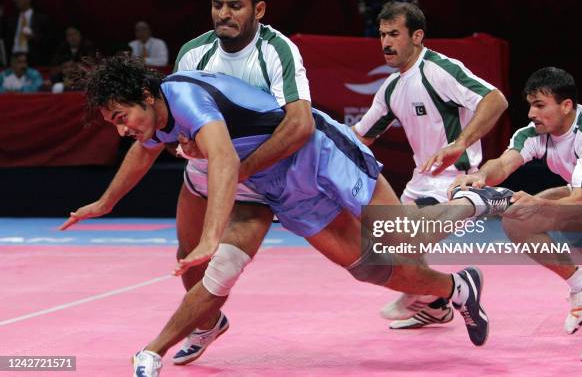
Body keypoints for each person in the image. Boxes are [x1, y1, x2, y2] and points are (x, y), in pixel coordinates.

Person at [73, 57, 513, 376]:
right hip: (279, 185)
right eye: (113, 122)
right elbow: (143, 151)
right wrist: (105, 202)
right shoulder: (156, 120)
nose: (121, 128)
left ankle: (478, 202)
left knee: (397, 237)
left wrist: (211, 238)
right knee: (369, 269)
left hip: (315, 153)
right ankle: (458, 287)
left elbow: (225, 161)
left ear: (147, 97)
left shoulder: (185, 98)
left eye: (121, 117)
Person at [63, 0, 315, 367]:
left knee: (370, 257)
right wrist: (106, 201)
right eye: (217, 5)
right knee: (190, 255)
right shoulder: (194, 52)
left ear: (259, 9)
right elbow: (159, 134)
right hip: (206, 170)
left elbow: (300, 123)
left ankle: (439, 289)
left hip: (265, 171)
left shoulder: (276, 50)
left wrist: (243, 169)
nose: (224, 14)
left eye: (235, 5)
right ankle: (207, 324)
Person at [353, 2, 508, 328]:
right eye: (382, 34)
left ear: (417, 36)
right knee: (380, 246)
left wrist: (460, 142)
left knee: (400, 243)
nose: (386, 42)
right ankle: (436, 304)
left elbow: (495, 99)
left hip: (457, 183)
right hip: (420, 183)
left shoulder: (440, 69)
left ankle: (448, 289)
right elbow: (359, 138)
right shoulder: (391, 88)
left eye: (394, 34)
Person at [451, 67, 582, 361]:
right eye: (529, 105)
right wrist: (478, 176)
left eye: (540, 105)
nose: (531, 113)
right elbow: (502, 165)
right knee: (517, 220)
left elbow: (579, 200)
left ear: (566, 106)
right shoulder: (533, 134)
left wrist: (539, 203)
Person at [3, 0, 53, 65]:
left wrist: (34, 36)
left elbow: (50, 40)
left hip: (33, 58)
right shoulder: (10, 21)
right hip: (14, 58)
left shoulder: (42, 19)